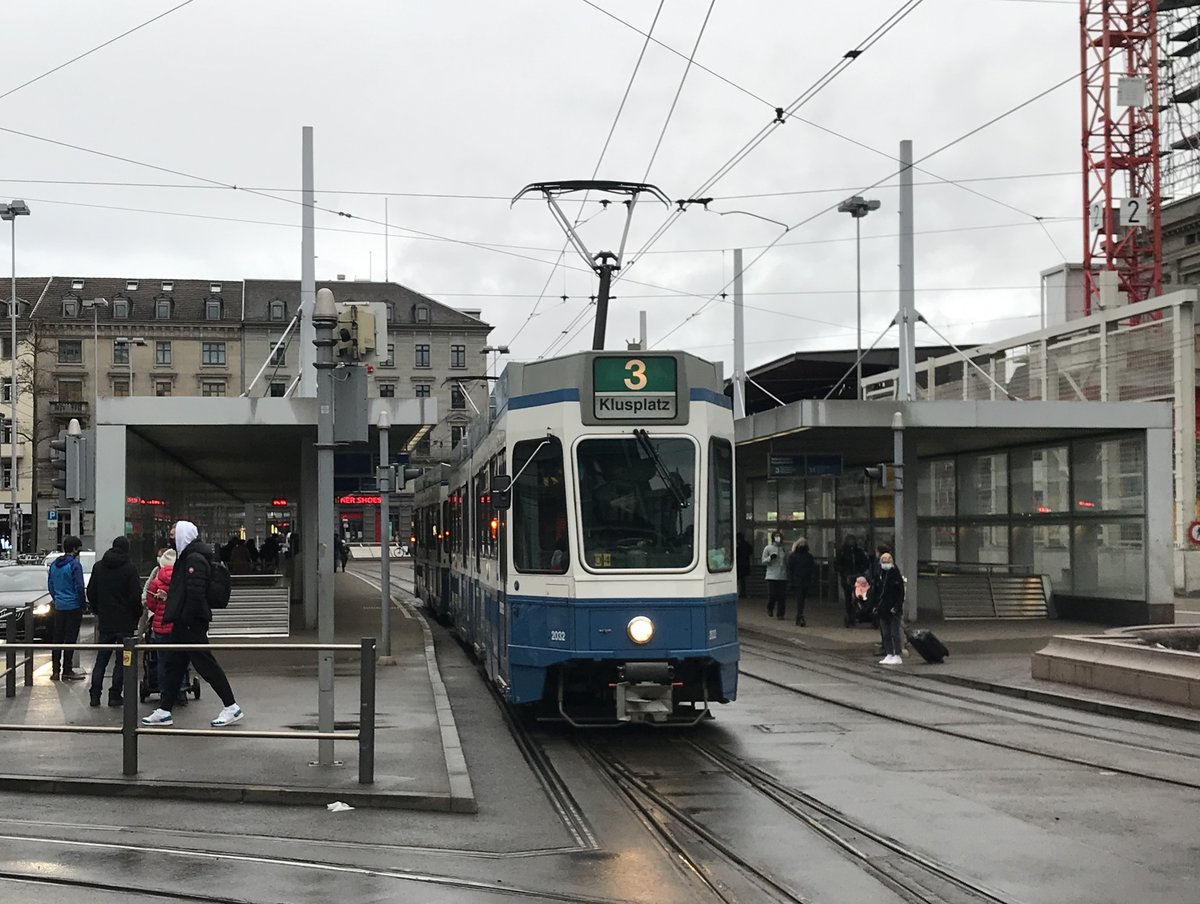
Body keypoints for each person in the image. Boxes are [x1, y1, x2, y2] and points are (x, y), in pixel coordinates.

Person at [141, 520, 244, 728]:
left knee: (205, 664)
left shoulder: (193, 559)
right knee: (174, 665)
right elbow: (186, 591)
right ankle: (164, 709)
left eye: (173, 532)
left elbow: (195, 593)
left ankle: (231, 706)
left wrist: (184, 617)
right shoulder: (188, 557)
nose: (170, 535)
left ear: (182, 535)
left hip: (190, 622)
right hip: (185, 621)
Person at [86, 536, 143, 707]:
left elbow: (91, 593)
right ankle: (115, 695)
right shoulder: (130, 569)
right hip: (125, 622)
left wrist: (98, 610)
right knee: (122, 660)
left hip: (106, 621)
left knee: (101, 659)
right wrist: (136, 614)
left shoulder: (99, 567)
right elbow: (135, 596)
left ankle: (95, 694)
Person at [47, 536, 87, 681]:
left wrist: (57, 598)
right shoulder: (75, 565)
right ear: (75, 549)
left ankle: (55, 670)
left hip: (59, 606)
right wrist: (82, 604)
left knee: (57, 638)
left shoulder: (54, 565)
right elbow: (79, 587)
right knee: (70, 639)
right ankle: (67, 670)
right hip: (73, 606)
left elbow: (50, 585)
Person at [144, 548, 179, 704]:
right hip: (177, 626)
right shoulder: (181, 579)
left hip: (159, 626)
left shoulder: (156, 581)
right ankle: (180, 689)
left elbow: (150, 603)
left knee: (162, 661)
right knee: (179, 659)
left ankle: (164, 692)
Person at [870, 552, 905, 665]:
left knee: (894, 632)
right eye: (883, 562)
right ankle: (889, 653)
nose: (885, 564)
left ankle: (897, 654)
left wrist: (897, 607)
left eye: (887, 562)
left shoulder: (895, 575)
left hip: (893, 609)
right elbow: (876, 592)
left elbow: (900, 594)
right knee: (885, 633)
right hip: (882, 609)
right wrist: (875, 606)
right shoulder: (880, 575)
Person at [834, 535, 869, 628]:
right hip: (847, 578)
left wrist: (861, 571)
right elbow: (837, 565)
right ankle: (850, 616)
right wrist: (844, 572)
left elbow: (865, 563)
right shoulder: (842, 552)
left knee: (859, 597)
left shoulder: (859, 552)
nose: (851, 542)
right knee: (848, 598)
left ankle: (857, 614)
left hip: (858, 577)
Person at [786, 537, 816, 627]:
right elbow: (790, 570)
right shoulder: (793, 556)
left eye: (804, 543)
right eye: (801, 543)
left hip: (804, 580)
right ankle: (800, 616)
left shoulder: (808, 556)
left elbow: (812, 569)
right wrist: (791, 581)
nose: (802, 545)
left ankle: (799, 616)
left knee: (802, 599)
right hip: (798, 580)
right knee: (800, 599)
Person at [761, 531, 788, 620]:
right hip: (771, 575)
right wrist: (770, 558)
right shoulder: (768, 548)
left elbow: (786, 561)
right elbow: (763, 561)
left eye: (779, 536)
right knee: (772, 595)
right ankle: (770, 607)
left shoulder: (783, 549)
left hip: (782, 575)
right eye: (776, 536)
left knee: (782, 596)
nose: (778, 538)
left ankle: (780, 614)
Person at [735, 533, 751, 598]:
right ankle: (743, 593)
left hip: (739, 565)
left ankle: (740, 593)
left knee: (739, 581)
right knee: (743, 581)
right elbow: (750, 551)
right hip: (745, 565)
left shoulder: (737, 546)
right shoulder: (747, 545)